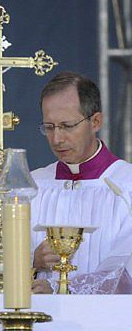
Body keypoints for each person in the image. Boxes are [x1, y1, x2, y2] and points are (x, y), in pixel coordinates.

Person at [29, 71, 132, 293]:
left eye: (67, 125)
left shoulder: (127, 186)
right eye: (49, 127)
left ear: (95, 121)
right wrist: (31, 261)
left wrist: (60, 289)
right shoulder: (31, 187)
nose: (57, 139)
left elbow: (124, 274)